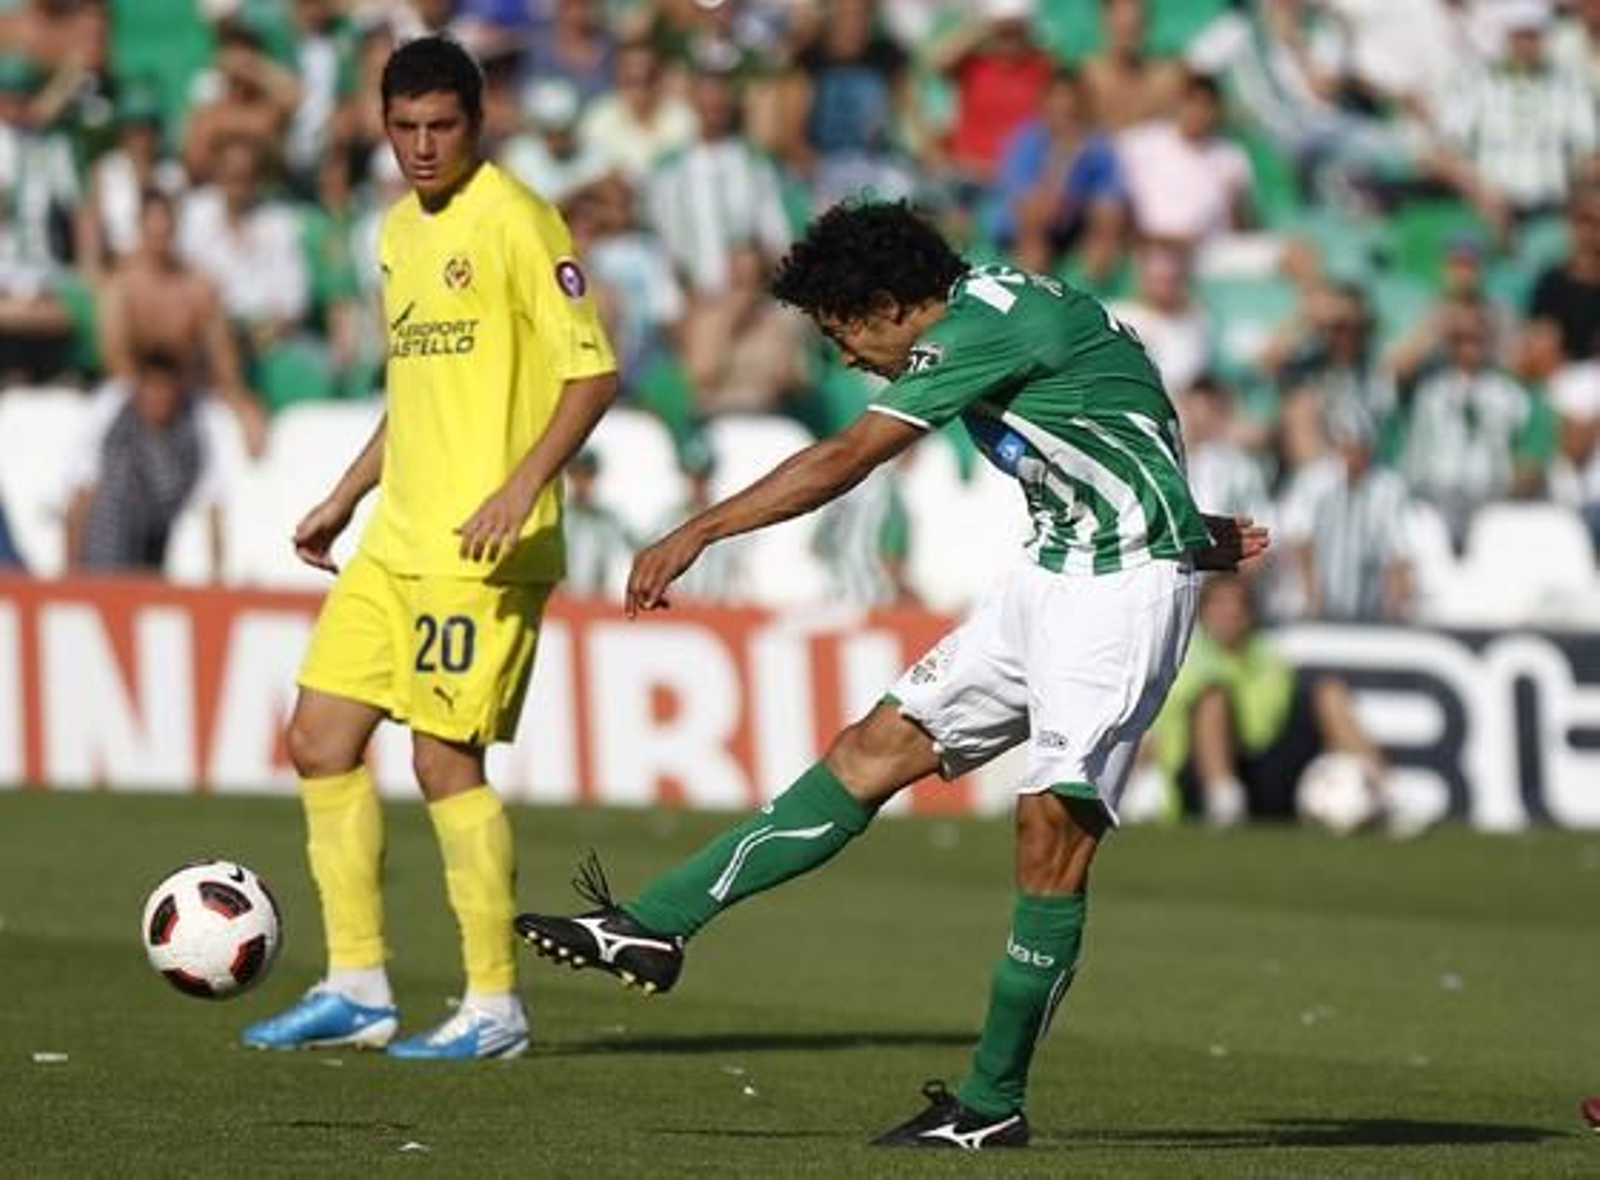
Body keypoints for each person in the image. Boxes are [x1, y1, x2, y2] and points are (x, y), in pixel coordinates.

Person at [514, 200, 1266, 1148]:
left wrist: (699, 530)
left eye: (843, 335)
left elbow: (846, 459)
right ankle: (655, 924)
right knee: (871, 750)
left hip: (1118, 599)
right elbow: (1114, 398)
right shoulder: (999, 308)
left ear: (886, 306)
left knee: (1050, 831)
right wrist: (1182, 518)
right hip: (1051, 573)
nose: (846, 359)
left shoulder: (983, 329)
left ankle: (990, 1104)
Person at [240, 35, 618, 1061]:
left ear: (477, 124)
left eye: (441, 126)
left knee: (444, 758)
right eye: (403, 126)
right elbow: (416, 395)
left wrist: (519, 487)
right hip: (395, 538)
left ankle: (495, 1006)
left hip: (482, 549)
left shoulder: (520, 221)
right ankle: (357, 985)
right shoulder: (399, 231)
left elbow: (592, 375)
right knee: (319, 738)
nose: (421, 146)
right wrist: (344, 495)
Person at [1148, 573, 1390, 826]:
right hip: (1198, 773)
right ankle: (1224, 800)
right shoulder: (1183, 658)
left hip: (1263, 765)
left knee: (1329, 691)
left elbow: (1276, 721)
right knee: (1213, 699)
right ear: (1202, 613)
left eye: (1238, 604)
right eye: (1220, 605)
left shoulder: (1270, 655)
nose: (1230, 612)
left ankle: (1382, 792)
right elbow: (1156, 734)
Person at [62, 349, 228, 577]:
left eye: (166, 389)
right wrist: (71, 571)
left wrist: (216, 575)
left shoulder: (192, 433)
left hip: (154, 559)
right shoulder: (113, 421)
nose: (159, 398)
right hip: (102, 558)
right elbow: (81, 495)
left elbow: (211, 503)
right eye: (152, 388)